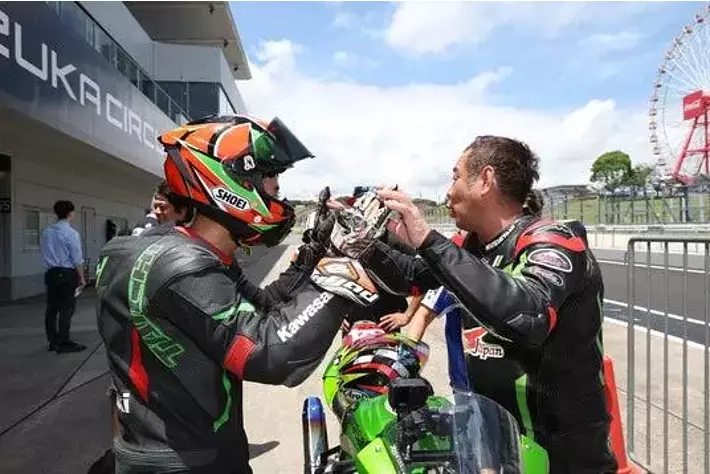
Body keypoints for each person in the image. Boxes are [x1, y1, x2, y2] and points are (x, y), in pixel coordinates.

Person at [94, 114, 378, 474]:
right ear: (231, 182)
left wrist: (317, 252)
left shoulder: (176, 251)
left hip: (157, 450)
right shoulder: (183, 266)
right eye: (270, 179)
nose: (277, 192)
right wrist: (340, 276)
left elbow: (263, 307)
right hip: (187, 462)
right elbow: (268, 353)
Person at [349, 136, 617, 473]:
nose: (448, 192)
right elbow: (412, 278)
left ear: (486, 180)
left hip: (564, 452)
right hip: (498, 440)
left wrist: (427, 238)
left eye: (455, 177)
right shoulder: (472, 247)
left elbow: (528, 316)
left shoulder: (553, 240)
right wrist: (362, 242)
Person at [40, 200, 87, 353]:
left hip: (51, 273)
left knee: (52, 309)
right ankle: (64, 341)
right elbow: (77, 259)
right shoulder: (71, 233)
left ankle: (53, 341)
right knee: (67, 308)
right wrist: (82, 278)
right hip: (67, 273)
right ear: (70, 213)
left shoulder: (46, 232)